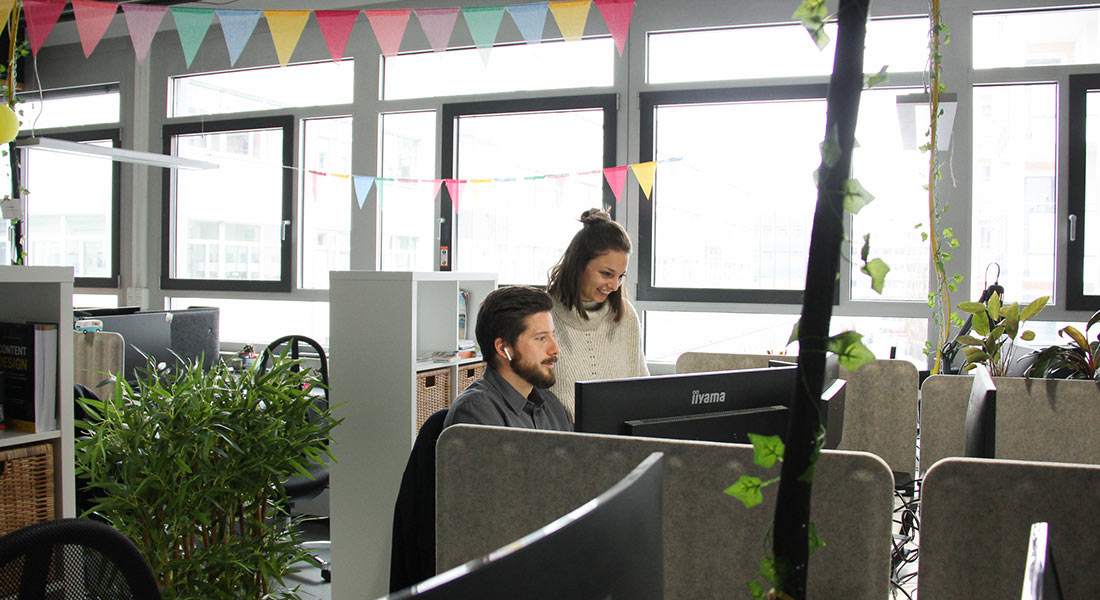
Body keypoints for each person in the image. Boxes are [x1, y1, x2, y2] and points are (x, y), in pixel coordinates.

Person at [546, 209, 649, 417]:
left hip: (620, 435)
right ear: (578, 264)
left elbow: (644, 389)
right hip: (560, 436)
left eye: (621, 276)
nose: (614, 285)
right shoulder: (542, 315)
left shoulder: (626, 316)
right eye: (606, 274)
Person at [443, 285, 573, 431]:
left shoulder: (552, 405)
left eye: (552, 335)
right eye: (541, 338)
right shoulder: (476, 412)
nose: (555, 349)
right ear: (503, 349)